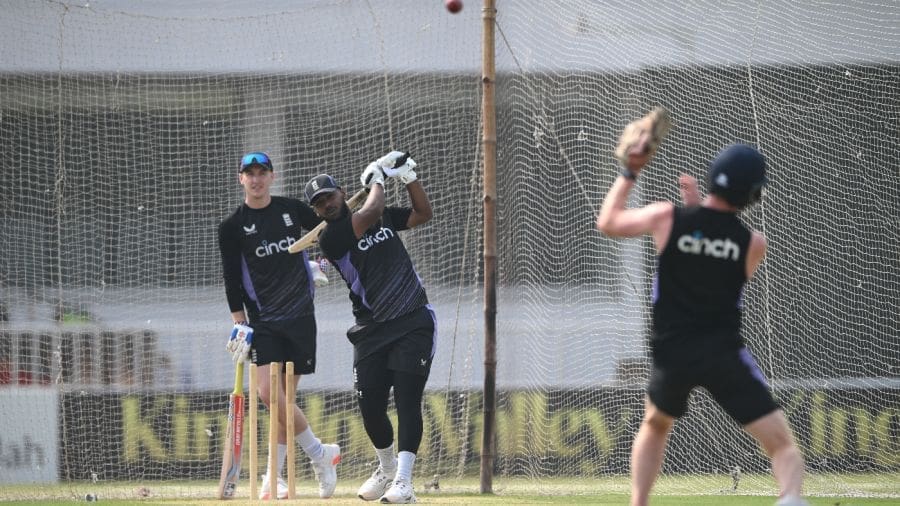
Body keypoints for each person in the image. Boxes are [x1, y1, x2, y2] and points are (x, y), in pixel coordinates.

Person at [595, 138, 808, 506]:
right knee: (783, 447)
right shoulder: (754, 243)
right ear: (752, 194)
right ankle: (790, 498)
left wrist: (631, 170)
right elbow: (713, 263)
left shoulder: (667, 217)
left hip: (672, 353)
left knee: (656, 425)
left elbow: (609, 223)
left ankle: (638, 503)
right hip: (723, 356)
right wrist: (701, 221)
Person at [305, 151, 435, 504]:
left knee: (408, 400)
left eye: (329, 196)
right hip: (370, 328)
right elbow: (372, 210)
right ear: (316, 212)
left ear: (342, 193)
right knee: (371, 408)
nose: (326, 204)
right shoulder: (331, 238)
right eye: (319, 204)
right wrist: (379, 175)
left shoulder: (380, 218)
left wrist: (408, 178)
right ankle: (386, 467)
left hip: (412, 319)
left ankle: (404, 482)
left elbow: (423, 214)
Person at [218, 151, 340, 500]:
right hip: (263, 320)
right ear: (240, 178)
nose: (256, 179)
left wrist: (319, 263)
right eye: (249, 173)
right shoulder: (232, 226)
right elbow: (230, 276)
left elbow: (328, 232)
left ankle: (274, 477)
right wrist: (237, 317)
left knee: (284, 401)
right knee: (269, 395)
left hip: (300, 314)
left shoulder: (290, 210)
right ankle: (320, 453)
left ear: (272, 176)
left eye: (262, 172)